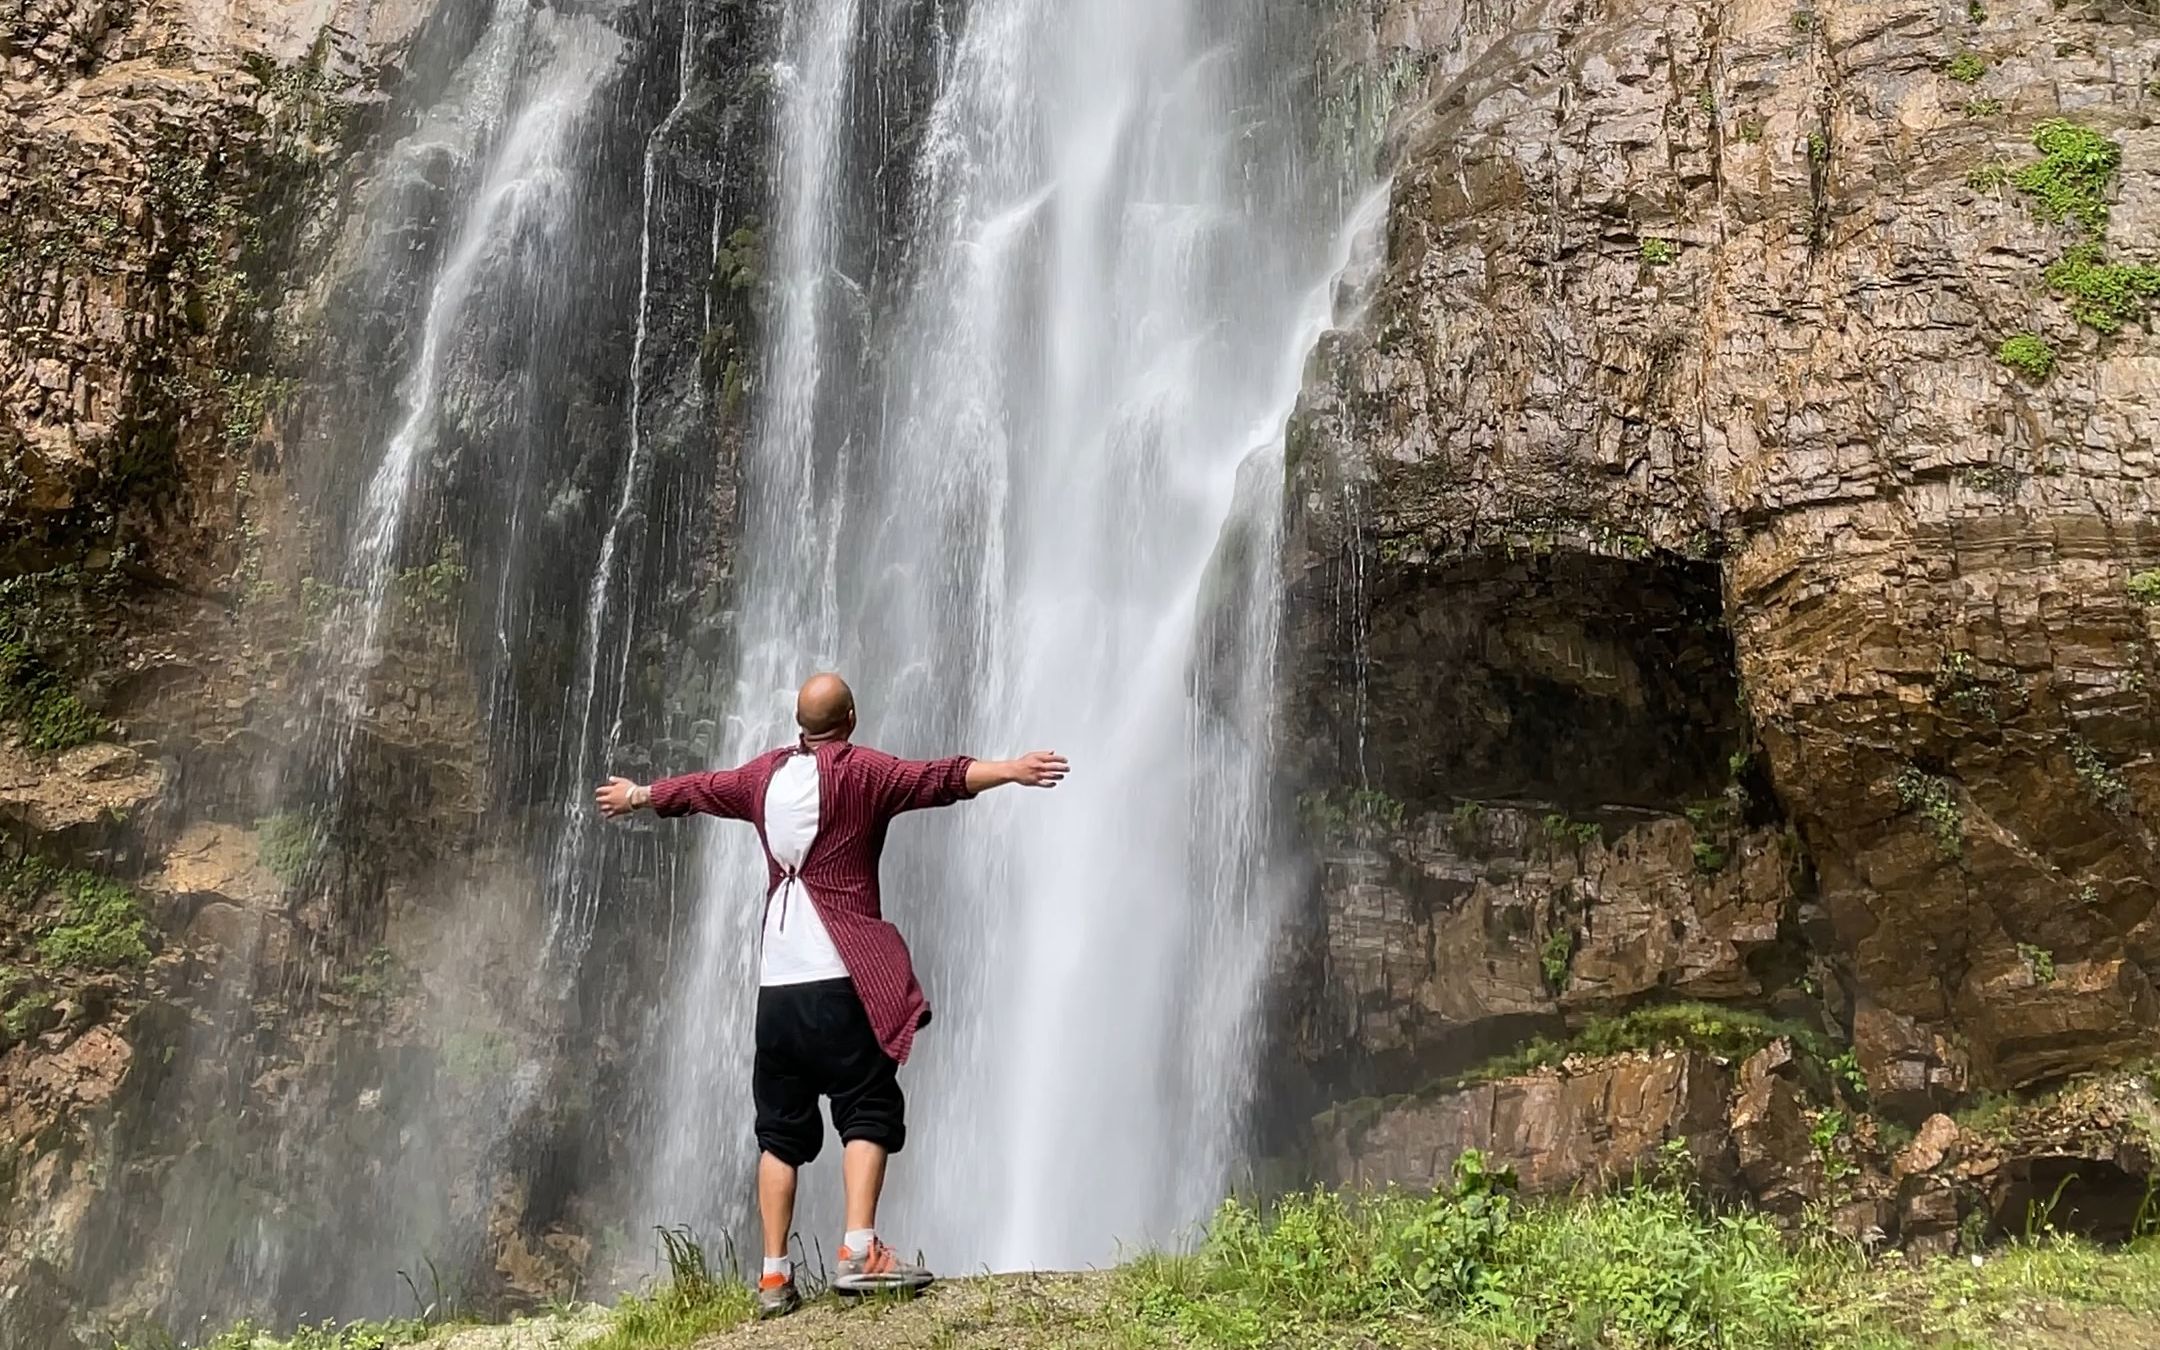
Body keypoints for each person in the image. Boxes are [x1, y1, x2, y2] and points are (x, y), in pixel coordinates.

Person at [595, 672, 1068, 1318]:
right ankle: (859, 1250)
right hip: (839, 977)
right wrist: (1013, 769)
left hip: (776, 987)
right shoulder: (862, 774)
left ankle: (771, 1276)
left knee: (779, 1133)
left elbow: (701, 789)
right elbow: (940, 778)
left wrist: (638, 794)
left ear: (800, 724)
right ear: (850, 717)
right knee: (867, 1103)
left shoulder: (760, 778)